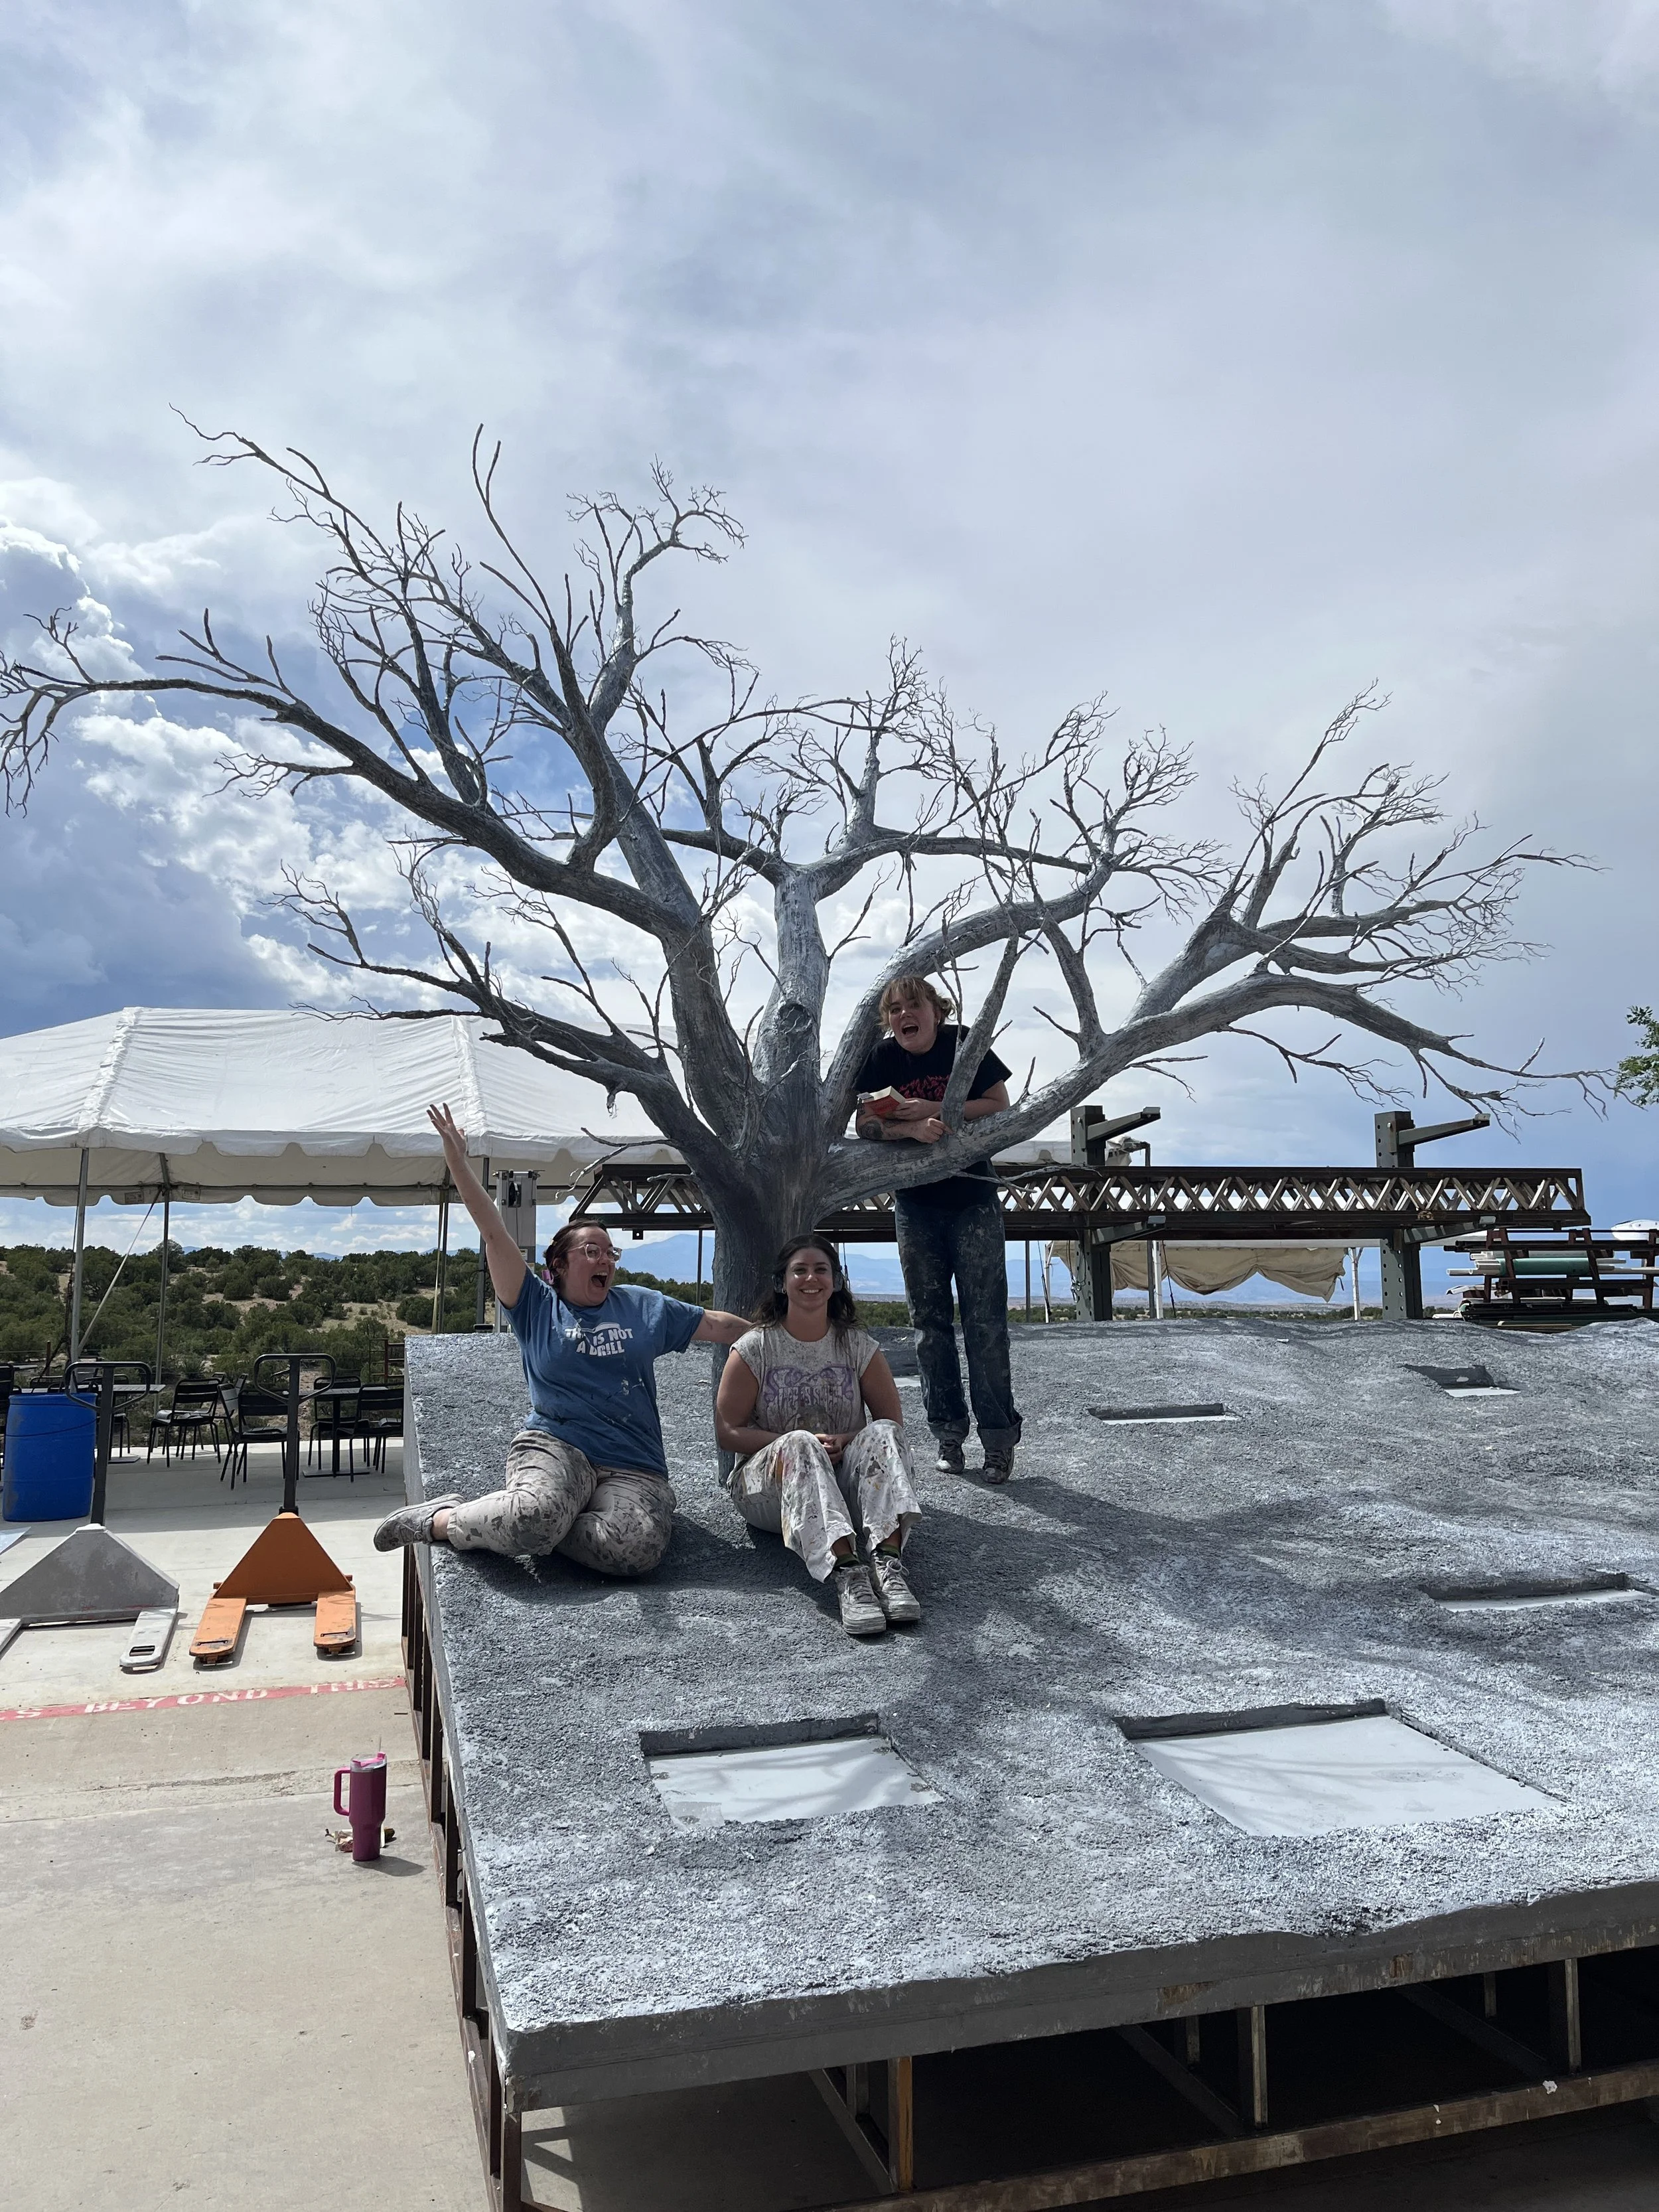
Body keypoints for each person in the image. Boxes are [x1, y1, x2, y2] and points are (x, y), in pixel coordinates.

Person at [374, 1103, 749, 1574]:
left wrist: (777, 1336)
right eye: (592, 1251)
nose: (606, 1261)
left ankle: (538, 1522)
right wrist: (458, 1162)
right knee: (536, 1516)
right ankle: (443, 1519)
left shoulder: (641, 1305)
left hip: (635, 1463)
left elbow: (716, 1324)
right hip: (558, 1447)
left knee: (636, 1550)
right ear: (560, 1266)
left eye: (611, 1253)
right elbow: (492, 1231)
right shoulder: (534, 1303)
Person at [852, 974, 1021, 1483]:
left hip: (973, 1199)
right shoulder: (883, 1058)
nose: (905, 1014)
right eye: (895, 1009)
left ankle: (998, 1440)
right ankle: (948, 1435)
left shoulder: (964, 1043)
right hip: (916, 1206)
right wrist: (909, 1129)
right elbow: (863, 1122)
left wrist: (938, 1110)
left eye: (913, 1004)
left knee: (986, 1326)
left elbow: (999, 1103)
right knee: (930, 1328)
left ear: (935, 1009)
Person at [713, 1234, 922, 1638]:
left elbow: (891, 1422)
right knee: (800, 1442)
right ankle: (848, 1574)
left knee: (883, 1434)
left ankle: (888, 1563)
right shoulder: (755, 1348)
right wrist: (795, 1441)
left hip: (841, 1481)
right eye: (800, 1270)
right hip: (769, 1493)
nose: (811, 1278)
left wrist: (844, 1439)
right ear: (782, 1283)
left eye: (821, 1269)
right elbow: (728, 1431)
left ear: (837, 1281)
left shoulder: (858, 1347)